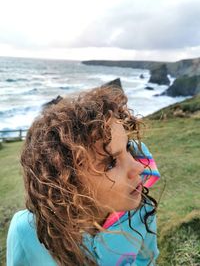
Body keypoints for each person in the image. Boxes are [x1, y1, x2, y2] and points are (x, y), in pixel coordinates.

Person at [7, 85, 160, 266]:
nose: (138, 168)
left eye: (127, 148)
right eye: (110, 162)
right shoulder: (26, 232)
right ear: (67, 183)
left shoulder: (142, 210)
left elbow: (147, 259)